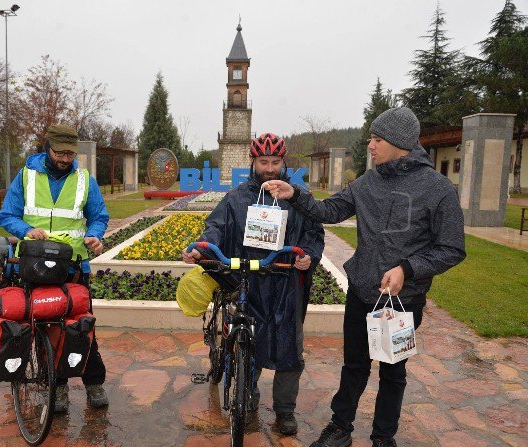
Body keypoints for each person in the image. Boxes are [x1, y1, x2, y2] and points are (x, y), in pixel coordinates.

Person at [262, 107, 466, 447]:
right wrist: (294, 194)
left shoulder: (438, 189)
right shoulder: (367, 183)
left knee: (392, 373)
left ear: (399, 143)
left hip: (402, 302)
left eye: (376, 139)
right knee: (354, 366)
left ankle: (383, 437)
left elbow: (451, 248)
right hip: (361, 293)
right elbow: (330, 211)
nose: (370, 145)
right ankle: (340, 428)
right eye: (371, 138)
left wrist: (407, 268)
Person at [182, 132, 325, 435]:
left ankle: (285, 410)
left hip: (286, 283)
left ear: (283, 162)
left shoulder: (297, 197)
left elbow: (315, 233)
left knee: (291, 350)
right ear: (253, 161)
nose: (270, 168)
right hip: (250, 281)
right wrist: (201, 248)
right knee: (250, 342)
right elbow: (216, 228)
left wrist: (309, 256)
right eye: (264, 161)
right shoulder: (237, 198)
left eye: (275, 162)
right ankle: (248, 399)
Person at [0, 124, 110, 411]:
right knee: (45, 330)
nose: (64, 158)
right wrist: (26, 229)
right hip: (34, 266)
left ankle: (93, 382)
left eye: (70, 153)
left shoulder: (85, 179)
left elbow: (99, 216)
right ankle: (56, 387)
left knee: (83, 327)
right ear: (48, 147)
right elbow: (7, 215)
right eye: (60, 152)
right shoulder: (27, 176)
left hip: (73, 267)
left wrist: (95, 235)